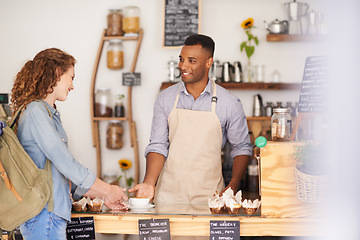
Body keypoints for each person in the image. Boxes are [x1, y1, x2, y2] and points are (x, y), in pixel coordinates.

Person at [11, 48, 128, 240]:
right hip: (44, 217)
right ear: (57, 73)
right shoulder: (36, 112)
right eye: (71, 77)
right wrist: (107, 189)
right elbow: (65, 162)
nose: (72, 85)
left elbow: (63, 176)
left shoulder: (46, 113)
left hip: (50, 216)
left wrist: (104, 196)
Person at [129, 34, 252, 204]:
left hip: (210, 197)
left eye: (192, 61)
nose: (183, 66)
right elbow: (158, 144)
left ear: (209, 63)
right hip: (168, 196)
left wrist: (233, 184)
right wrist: (149, 182)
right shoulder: (165, 98)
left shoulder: (229, 103)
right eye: (181, 59)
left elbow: (241, 147)